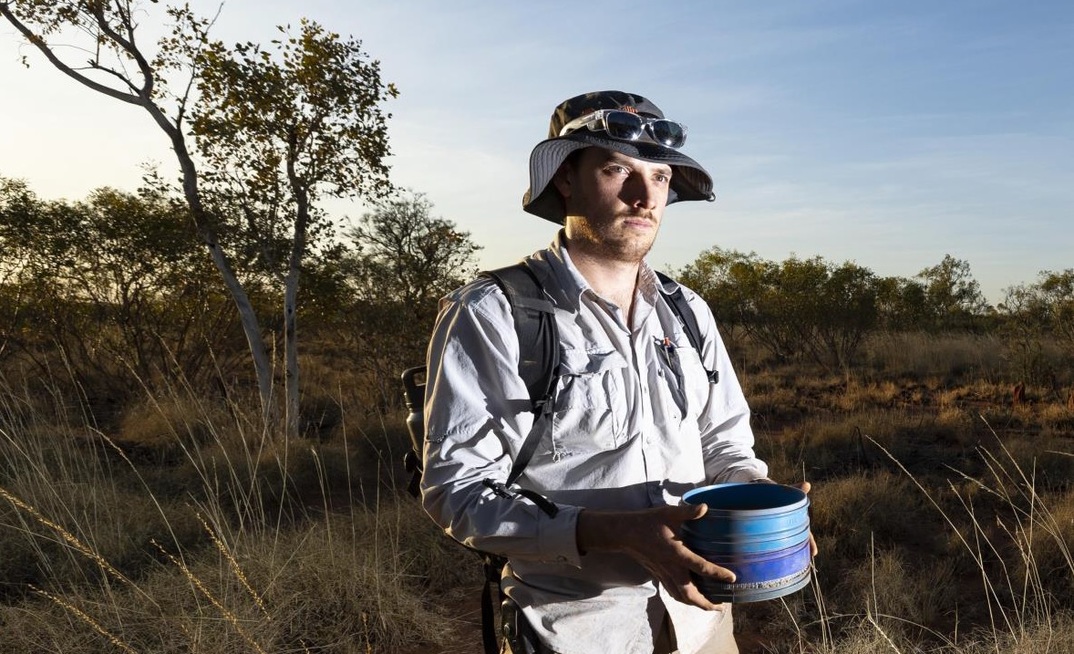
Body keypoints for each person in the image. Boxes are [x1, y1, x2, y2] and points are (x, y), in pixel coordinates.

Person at [421, 90, 808, 654]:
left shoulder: (688, 310)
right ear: (565, 181)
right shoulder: (493, 312)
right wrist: (616, 532)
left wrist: (761, 507)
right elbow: (457, 493)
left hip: (702, 620)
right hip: (577, 631)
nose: (643, 195)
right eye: (616, 169)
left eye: (659, 176)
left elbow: (724, 442)